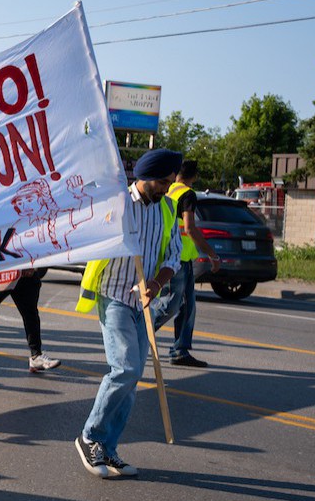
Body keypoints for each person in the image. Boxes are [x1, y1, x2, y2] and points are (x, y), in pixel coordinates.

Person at [74, 148, 182, 479]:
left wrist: (155, 283)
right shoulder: (118, 202)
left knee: (132, 380)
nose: (167, 187)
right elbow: (89, 229)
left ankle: (108, 448)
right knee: (125, 368)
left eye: (170, 182)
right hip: (115, 296)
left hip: (142, 302)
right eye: (163, 182)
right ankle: (89, 437)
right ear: (146, 177)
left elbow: (174, 256)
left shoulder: (167, 209)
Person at [166, 160, 221, 368]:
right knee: (175, 305)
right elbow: (189, 228)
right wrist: (212, 254)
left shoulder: (168, 190)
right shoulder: (187, 194)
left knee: (183, 305)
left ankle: (179, 349)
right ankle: (140, 334)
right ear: (194, 176)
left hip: (171, 254)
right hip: (180, 257)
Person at [0, 269, 60, 372]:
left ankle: (36, 356)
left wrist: (34, 266)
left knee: (31, 314)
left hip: (26, 274)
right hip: (2, 272)